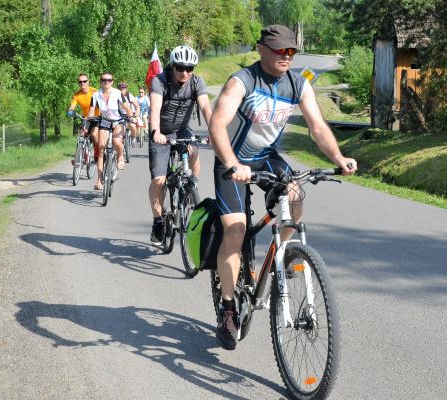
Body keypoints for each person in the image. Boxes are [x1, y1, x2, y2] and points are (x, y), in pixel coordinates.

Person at [208, 24, 358, 350]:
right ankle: (229, 306)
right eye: (280, 51)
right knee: (235, 230)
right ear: (262, 49)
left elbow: (317, 127)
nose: (287, 57)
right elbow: (217, 124)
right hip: (232, 162)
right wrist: (233, 164)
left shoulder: (298, 84)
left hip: (267, 158)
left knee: (296, 195)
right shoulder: (242, 82)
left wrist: (338, 156)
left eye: (291, 51)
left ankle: (282, 255)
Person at [149, 45, 212, 245]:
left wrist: (214, 131)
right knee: (159, 180)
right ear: (172, 66)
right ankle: (158, 221)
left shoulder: (196, 82)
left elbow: (205, 107)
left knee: (194, 151)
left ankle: (191, 185)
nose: (185, 72)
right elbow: (155, 108)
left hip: (182, 130)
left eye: (189, 68)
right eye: (180, 68)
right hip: (161, 132)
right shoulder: (160, 81)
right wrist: (155, 132)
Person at [88, 71, 135, 190]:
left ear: (112, 82)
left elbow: (126, 107)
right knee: (101, 148)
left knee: (117, 141)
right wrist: (90, 116)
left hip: (119, 120)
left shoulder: (118, 93)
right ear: (100, 82)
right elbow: (92, 109)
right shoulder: (95, 95)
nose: (106, 82)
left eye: (109, 80)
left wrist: (131, 116)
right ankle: (99, 180)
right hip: (104, 121)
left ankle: (120, 157)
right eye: (104, 80)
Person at [67, 73, 100, 163]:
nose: (82, 83)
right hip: (86, 118)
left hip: (97, 117)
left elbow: (101, 102)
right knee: (82, 135)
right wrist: (70, 110)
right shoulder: (77, 95)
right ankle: (81, 157)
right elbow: (73, 105)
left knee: (94, 134)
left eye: (84, 81)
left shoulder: (94, 91)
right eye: (80, 82)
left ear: (88, 82)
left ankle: (97, 153)